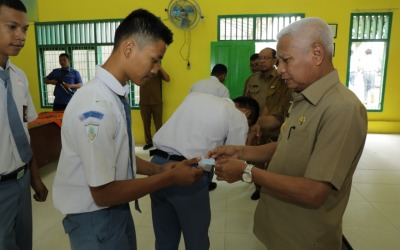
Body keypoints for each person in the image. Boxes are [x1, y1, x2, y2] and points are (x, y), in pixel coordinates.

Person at [207, 17, 368, 250]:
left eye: (285, 60)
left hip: (303, 238)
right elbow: (285, 146)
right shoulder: (303, 97)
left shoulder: (342, 108)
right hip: (281, 228)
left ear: (317, 54)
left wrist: (246, 170)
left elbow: (314, 192)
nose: (280, 69)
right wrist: (241, 151)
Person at [52, 9, 203, 250]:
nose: (156, 69)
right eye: (154, 59)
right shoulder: (96, 107)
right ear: (129, 48)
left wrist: (157, 169)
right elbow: (103, 193)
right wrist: (169, 178)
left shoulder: (113, 95)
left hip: (115, 211)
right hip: (96, 219)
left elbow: (117, 154)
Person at [149, 92, 259, 250]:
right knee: (196, 238)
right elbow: (232, 159)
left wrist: (206, 163)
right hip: (187, 175)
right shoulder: (238, 116)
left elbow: (199, 148)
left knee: (164, 236)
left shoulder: (196, 97)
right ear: (247, 113)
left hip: (157, 166)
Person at [0, 1, 48, 249]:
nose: (21, 36)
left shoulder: (18, 77)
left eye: (25, 29)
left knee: (23, 243)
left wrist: (34, 178)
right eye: (11, 27)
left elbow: (23, 133)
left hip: (21, 179)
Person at [244, 47, 292, 200]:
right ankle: (258, 188)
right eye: (260, 58)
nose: (262, 61)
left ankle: (272, 190)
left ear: (274, 60)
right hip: (256, 131)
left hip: (275, 130)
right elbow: (245, 103)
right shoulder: (251, 81)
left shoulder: (283, 80)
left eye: (266, 58)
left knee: (274, 164)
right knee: (256, 163)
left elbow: (285, 108)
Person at [140, 66, 170, 150]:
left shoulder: (157, 70)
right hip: (144, 102)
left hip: (157, 102)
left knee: (158, 124)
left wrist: (160, 68)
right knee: (146, 124)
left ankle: (159, 144)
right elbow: (135, 80)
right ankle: (148, 142)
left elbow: (168, 79)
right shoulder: (142, 68)